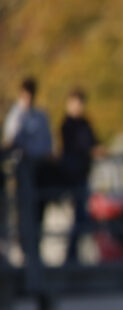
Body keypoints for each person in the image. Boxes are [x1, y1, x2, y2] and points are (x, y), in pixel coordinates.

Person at [2, 77, 55, 266]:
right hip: (23, 174)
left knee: (39, 214)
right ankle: (26, 255)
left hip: (40, 173)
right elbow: (11, 142)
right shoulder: (16, 116)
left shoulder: (40, 116)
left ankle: (34, 254)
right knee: (24, 215)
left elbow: (48, 145)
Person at [58, 88, 102, 265]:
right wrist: (91, 150)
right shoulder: (67, 124)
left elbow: (93, 141)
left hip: (83, 174)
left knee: (82, 217)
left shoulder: (85, 123)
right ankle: (72, 256)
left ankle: (74, 255)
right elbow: (78, 146)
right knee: (81, 217)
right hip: (72, 176)